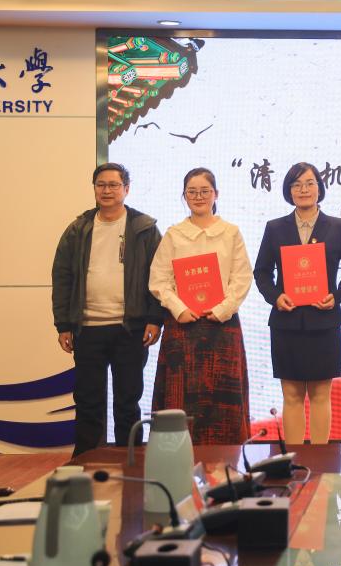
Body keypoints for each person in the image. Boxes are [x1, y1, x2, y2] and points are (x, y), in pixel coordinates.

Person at [51, 163, 163, 456]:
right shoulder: (78, 229)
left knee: (127, 400)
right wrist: (63, 324)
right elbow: (62, 276)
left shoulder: (144, 229)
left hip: (131, 329)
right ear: (94, 189)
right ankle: (86, 459)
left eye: (114, 185)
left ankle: (130, 458)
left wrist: (155, 319)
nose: (107, 190)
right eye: (101, 185)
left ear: (126, 189)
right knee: (88, 400)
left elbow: (160, 276)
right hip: (87, 328)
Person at [254, 162, 341, 445]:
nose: (303, 190)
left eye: (309, 183)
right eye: (296, 185)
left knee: (320, 394)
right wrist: (275, 297)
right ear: (289, 191)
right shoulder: (275, 228)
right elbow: (262, 272)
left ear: (319, 188)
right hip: (286, 322)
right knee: (291, 395)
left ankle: (320, 458)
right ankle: (294, 458)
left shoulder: (337, 227)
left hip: (324, 322)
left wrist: (336, 297)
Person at [148, 167, 253, 444]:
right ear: (184, 196)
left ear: (216, 194)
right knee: (181, 398)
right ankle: (178, 456)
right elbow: (159, 279)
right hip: (183, 326)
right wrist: (179, 309)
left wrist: (223, 309)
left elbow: (242, 277)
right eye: (192, 192)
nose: (198, 196)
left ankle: (227, 458)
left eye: (205, 191)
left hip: (222, 325)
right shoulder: (174, 234)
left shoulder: (231, 232)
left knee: (223, 401)